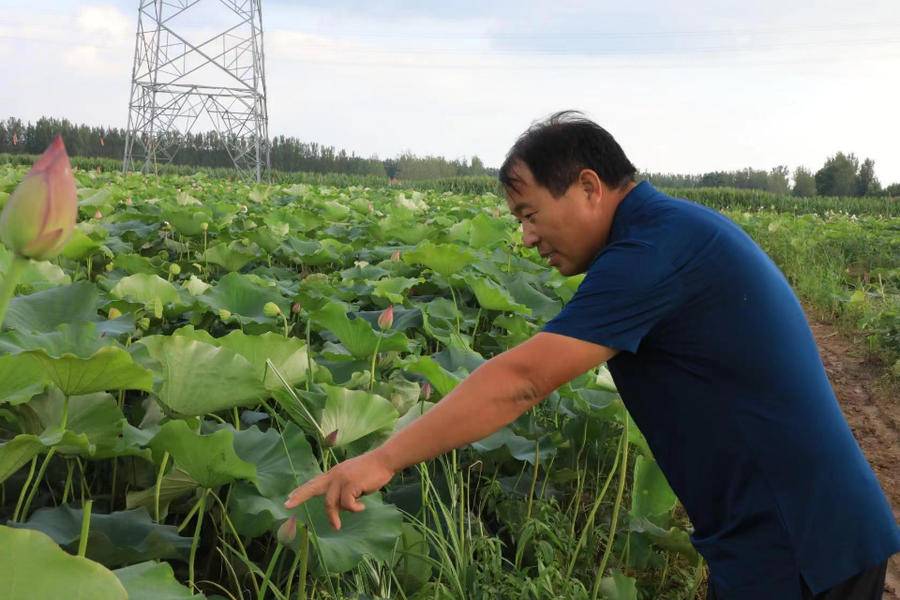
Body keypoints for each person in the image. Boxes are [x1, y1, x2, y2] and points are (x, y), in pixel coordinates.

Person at [284, 111, 900, 599]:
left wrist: (384, 460)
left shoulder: (651, 254)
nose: (525, 236)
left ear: (587, 186)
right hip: (783, 533)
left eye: (529, 214)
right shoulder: (666, 233)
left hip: (796, 543)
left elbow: (524, 380)